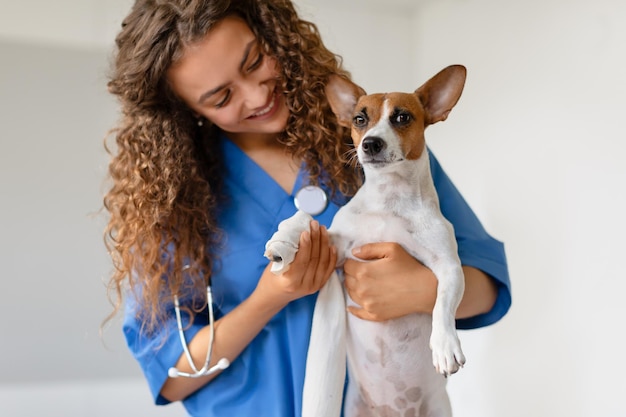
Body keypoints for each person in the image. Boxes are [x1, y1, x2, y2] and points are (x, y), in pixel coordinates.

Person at [103, 0, 511, 416]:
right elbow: (170, 376)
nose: (257, 94)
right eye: (222, 96)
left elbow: (490, 288)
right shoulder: (175, 200)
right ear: (187, 112)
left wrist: (418, 290)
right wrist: (270, 296)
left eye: (255, 61)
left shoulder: (386, 149)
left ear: (273, 36)